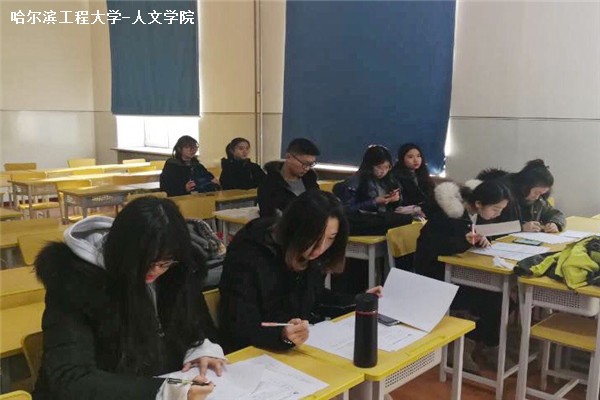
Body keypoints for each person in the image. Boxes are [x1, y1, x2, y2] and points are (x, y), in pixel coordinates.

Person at [34, 197, 225, 400]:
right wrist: (160, 390)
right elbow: (71, 378)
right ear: (123, 251)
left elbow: (196, 325)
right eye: (147, 262)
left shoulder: (176, 271)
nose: (155, 271)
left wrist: (200, 348)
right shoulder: (73, 284)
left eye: (165, 263)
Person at [218, 190, 382, 353]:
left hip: (293, 349)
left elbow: (315, 297)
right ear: (297, 230)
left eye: (331, 238)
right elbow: (239, 326)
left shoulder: (307, 252)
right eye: (316, 238)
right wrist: (281, 335)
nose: (321, 248)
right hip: (251, 354)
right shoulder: (249, 254)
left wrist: (358, 301)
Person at [413, 179, 512, 372]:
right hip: (436, 277)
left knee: (507, 297)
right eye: (495, 209)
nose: (498, 214)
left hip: (458, 272)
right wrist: (465, 241)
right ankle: (465, 347)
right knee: (494, 298)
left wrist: (479, 240)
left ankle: (483, 343)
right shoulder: (447, 216)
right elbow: (432, 247)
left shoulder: (472, 215)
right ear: (479, 203)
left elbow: (468, 237)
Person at [333, 145, 413, 235]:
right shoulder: (356, 181)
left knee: (406, 219)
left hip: (379, 217)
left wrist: (395, 199)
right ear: (369, 166)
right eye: (379, 167)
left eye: (387, 167)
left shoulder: (389, 180)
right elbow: (348, 210)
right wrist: (374, 202)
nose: (383, 171)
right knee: (395, 221)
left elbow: (392, 208)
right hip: (361, 219)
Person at [477, 159, 565, 233]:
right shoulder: (501, 194)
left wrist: (554, 223)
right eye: (536, 192)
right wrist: (520, 227)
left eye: (541, 194)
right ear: (526, 186)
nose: (537, 197)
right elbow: (483, 229)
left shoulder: (537, 200)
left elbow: (556, 214)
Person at [257, 138, 320, 217]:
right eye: (304, 163)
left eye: (311, 164)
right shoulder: (269, 184)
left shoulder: (310, 179)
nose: (307, 168)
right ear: (288, 157)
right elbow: (268, 217)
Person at [391, 143, 435, 218]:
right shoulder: (395, 177)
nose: (416, 160)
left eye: (418, 156)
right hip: (406, 214)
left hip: (424, 211)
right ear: (402, 159)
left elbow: (432, 197)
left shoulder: (423, 175)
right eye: (410, 157)